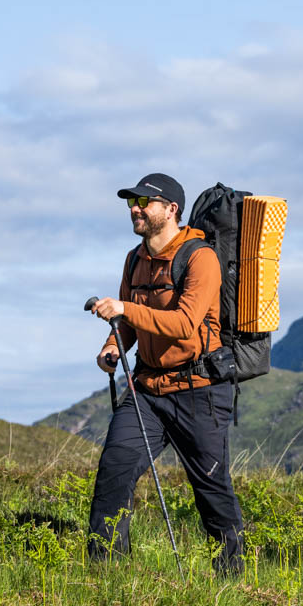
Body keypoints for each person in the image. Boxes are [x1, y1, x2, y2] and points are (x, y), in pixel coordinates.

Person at [87, 172, 246, 574]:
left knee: (211, 489)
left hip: (199, 390)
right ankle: (105, 575)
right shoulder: (134, 258)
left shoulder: (200, 257)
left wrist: (125, 310)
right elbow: (128, 327)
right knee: (114, 472)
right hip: (148, 389)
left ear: (171, 209)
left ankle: (231, 579)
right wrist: (112, 347)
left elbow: (184, 323)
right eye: (132, 203)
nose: (136, 209)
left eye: (144, 202)